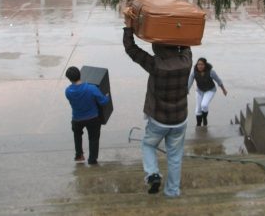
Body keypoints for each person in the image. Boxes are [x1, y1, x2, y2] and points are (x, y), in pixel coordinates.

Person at [123, 15, 192, 197]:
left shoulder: (155, 65)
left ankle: (153, 174)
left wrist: (129, 27)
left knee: (148, 145)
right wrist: (178, 25)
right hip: (180, 120)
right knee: (175, 157)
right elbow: (187, 41)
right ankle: (172, 191)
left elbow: (131, 49)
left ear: (157, 48)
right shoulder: (187, 61)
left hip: (159, 120)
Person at [65, 66, 110, 165]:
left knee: (77, 136)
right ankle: (92, 159)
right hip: (92, 118)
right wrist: (107, 96)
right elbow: (103, 102)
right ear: (80, 75)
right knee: (93, 138)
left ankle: (79, 155)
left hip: (77, 119)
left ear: (69, 79)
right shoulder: (91, 88)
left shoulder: (68, 91)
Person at [188, 58, 228, 127]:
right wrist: (187, 90)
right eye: (198, 64)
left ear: (205, 65)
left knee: (204, 105)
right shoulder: (194, 72)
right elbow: (190, 82)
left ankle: (205, 118)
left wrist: (223, 89)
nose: (200, 66)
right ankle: (198, 125)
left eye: (202, 64)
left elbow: (218, 80)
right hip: (199, 91)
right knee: (198, 110)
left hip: (210, 90)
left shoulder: (211, 71)